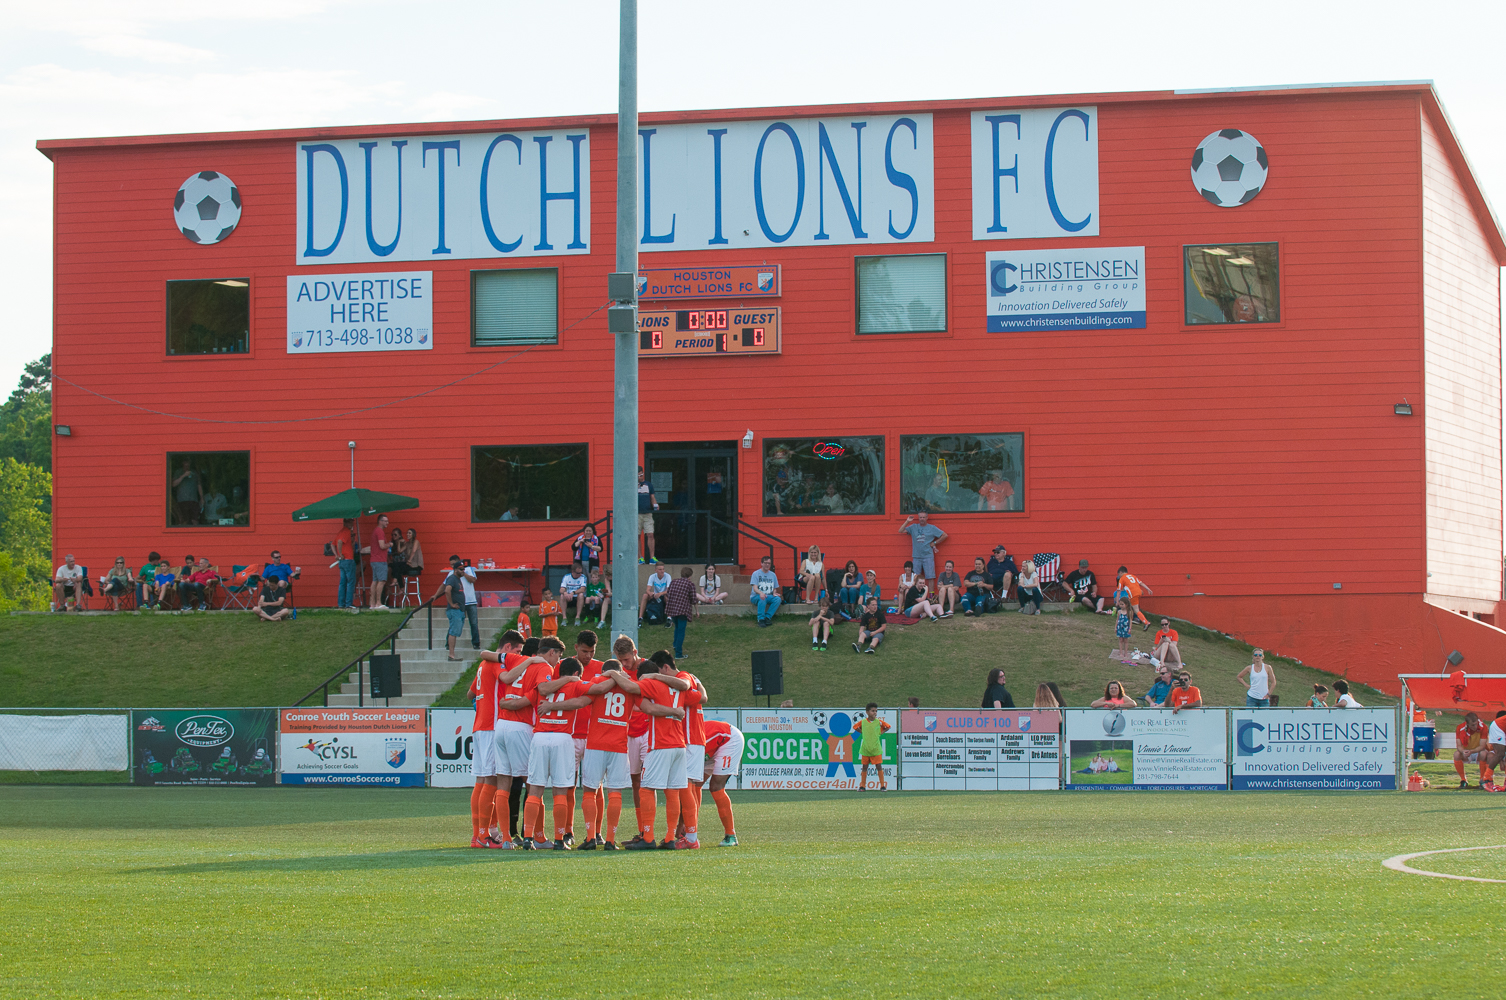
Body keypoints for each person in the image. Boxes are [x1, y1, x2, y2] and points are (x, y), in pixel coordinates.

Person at [626, 654, 700, 849]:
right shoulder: (677, 686)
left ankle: (648, 837)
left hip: (660, 744)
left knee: (646, 789)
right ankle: (669, 838)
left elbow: (632, 690)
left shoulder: (651, 684)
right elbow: (700, 696)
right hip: (679, 746)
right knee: (673, 791)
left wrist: (614, 675)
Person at [702, 718, 744, 845]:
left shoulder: (690, 742)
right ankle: (688, 831)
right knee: (693, 785)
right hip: (712, 743)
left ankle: (731, 835)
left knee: (716, 787)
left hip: (730, 739)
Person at [431, 557, 469, 661]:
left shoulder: (458, 579)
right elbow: (447, 590)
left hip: (460, 610)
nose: (463, 571)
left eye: (463, 569)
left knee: (456, 631)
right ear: (455, 570)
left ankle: (451, 654)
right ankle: (451, 655)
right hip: (454, 610)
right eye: (461, 569)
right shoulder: (452, 578)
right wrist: (451, 604)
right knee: (453, 632)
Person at [898, 511, 947, 585]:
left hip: (928, 556)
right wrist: (907, 521)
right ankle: (916, 595)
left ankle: (931, 595)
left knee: (930, 577)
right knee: (915, 577)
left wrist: (934, 543)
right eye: (920, 517)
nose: (922, 519)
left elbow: (944, 535)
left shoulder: (932, 528)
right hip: (916, 556)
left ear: (927, 518)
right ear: (918, 518)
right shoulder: (914, 527)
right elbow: (900, 530)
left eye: (924, 517)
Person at [854, 703, 891, 791]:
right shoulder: (863, 722)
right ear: (867, 712)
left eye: (876, 711)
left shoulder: (878, 722)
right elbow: (855, 727)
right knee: (864, 767)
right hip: (866, 749)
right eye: (873, 711)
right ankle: (862, 786)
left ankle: (882, 786)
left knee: (878, 766)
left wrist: (880, 732)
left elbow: (888, 726)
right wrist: (863, 732)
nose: (875, 713)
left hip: (876, 749)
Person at [665, 566, 696, 659]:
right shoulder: (690, 584)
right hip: (683, 611)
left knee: (677, 628)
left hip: (673, 609)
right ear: (690, 576)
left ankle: (675, 645)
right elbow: (693, 599)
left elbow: (668, 594)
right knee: (681, 631)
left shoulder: (673, 582)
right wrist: (697, 611)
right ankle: (678, 653)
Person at [1454, 712, 1490, 789]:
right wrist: (1463, 751)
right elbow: (1459, 746)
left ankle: (1482, 779)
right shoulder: (1460, 728)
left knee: (1483, 753)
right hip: (1466, 752)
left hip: (1477, 752)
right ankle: (1463, 780)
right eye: (1472, 725)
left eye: (1476, 724)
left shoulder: (1483, 727)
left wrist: (1472, 751)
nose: (1475, 726)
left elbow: (1482, 746)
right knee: (1456, 754)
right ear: (1467, 724)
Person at [365, 513, 391, 610]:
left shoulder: (375, 531)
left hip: (374, 560)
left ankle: (372, 604)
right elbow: (382, 546)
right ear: (380, 521)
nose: (387, 523)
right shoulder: (380, 531)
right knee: (382, 581)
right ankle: (378, 603)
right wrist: (389, 544)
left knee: (374, 581)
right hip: (380, 560)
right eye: (385, 521)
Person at [1115, 565, 1153, 630]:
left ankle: (1146, 622)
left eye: (1118, 574)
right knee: (1130, 606)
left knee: (1136, 610)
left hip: (1132, 594)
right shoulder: (1133, 576)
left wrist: (1117, 601)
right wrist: (1148, 589)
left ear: (1121, 572)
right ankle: (1130, 619)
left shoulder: (1122, 578)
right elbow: (1141, 583)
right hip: (1139, 592)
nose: (1119, 576)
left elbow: (1118, 591)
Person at [749, 554, 781, 627]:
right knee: (762, 597)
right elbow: (755, 588)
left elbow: (774, 588)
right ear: (761, 563)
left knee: (777, 599)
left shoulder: (773, 575)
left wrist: (774, 593)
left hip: (769, 595)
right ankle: (761, 619)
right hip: (756, 596)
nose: (767, 565)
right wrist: (761, 593)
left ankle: (767, 617)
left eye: (769, 563)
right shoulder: (756, 574)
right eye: (765, 563)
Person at [332, 519, 357, 611]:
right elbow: (339, 542)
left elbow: (332, 544)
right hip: (348, 559)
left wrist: (336, 555)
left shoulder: (340, 532)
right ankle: (348, 603)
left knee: (342, 583)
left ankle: (341, 603)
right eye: (351, 522)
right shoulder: (346, 531)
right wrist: (341, 554)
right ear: (346, 523)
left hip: (342, 562)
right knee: (350, 582)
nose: (352, 524)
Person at [637, 466, 660, 564]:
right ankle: (640, 558)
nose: (640, 476)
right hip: (636, 514)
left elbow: (652, 497)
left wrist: (655, 505)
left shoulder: (648, 485)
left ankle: (652, 557)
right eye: (638, 475)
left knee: (650, 534)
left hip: (647, 513)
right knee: (637, 536)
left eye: (641, 474)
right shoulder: (631, 485)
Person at [171, 457, 203, 525]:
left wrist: (202, 498)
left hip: (194, 500)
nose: (187, 464)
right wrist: (184, 476)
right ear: (183, 463)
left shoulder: (194, 473)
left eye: (189, 462)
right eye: (186, 462)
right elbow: (173, 484)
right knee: (184, 521)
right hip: (182, 500)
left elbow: (199, 485)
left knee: (195, 520)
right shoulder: (178, 472)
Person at [560, 561, 588, 625]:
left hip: (577, 597)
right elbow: (561, 589)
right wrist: (565, 593)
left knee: (581, 595)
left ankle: (577, 617)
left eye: (581, 572)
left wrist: (573, 592)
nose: (580, 574)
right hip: (568, 597)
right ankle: (564, 618)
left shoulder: (583, 577)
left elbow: (582, 589)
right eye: (578, 573)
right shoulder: (566, 577)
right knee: (562, 595)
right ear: (573, 572)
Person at [1485, 712, 1506, 792]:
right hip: (1498, 727)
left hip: (1503, 729)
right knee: (1500, 754)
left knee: (1501, 754)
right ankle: (1486, 779)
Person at [401, 529, 423, 596]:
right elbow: (400, 550)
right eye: (407, 533)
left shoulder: (416, 542)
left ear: (413, 534)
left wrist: (409, 561)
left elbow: (413, 551)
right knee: (397, 567)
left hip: (416, 565)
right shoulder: (407, 543)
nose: (408, 534)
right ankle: (401, 587)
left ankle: (401, 588)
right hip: (409, 565)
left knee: (398, 568)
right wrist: (399, 542)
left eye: (409, 533)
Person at [1112, 597, 1132, 661]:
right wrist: (1115, 627)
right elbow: (1117, 620)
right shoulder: (1119, 612)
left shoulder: (1129, 612)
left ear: (1126, 604)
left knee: (1125, 640)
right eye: (1120, 604)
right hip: (1120, 628)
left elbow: (1130, 621)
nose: (1121, 606)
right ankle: (1121, 652)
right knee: (1120, 640)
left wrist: (1130, 628)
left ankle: (1126, 652)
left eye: (1122, 604)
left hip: (1126, 628)